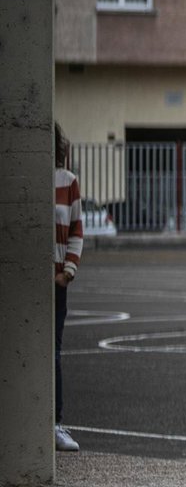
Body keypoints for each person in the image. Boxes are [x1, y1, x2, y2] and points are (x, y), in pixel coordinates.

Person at [53, 122, 83, 452]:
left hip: (56, 282)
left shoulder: (67, 181)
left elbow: (76, 229)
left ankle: (54, 423)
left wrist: (68, 271)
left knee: (53, 351)